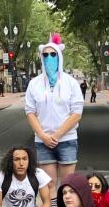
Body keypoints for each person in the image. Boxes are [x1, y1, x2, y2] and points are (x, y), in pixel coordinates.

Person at [25, 34, 83, 197]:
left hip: (67, 139)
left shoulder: (70, 82)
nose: (49, 58)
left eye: (53, 54)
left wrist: (57, 135)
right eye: (45, 55)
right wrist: (43, 135)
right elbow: (30, 112)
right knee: (49, 183)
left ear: (59, 56)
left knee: (67, 185)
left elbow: (76, 113)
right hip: (43, 141)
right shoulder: (34, 83)